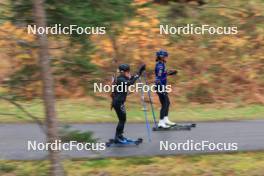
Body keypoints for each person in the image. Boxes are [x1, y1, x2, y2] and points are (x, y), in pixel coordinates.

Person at [111, 63, 146, 143]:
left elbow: (132, 78)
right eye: (127, 71)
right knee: (122, 120)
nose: (128, 73)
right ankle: (118, 137)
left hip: (119, 102)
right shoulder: (120, 79)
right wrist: (137, 76)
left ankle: (119, 136)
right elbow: (130, 83)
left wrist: (140, 72)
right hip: (118, 102)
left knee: (122, 119)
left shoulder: (123, 77)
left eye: (128, 71)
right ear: (123, 72)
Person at [155, 50, 177, 128]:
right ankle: (161, 122)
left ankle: (165, 119)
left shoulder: (162, 64)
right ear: (161, 57)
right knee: (165, 104)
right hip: (160, 87)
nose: (166, 58)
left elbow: (162, 75)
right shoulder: (160, 66)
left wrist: (169, 73)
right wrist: (162, 89)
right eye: (165, 56)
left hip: (162, 86)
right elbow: (158, 78)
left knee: (167, 103)